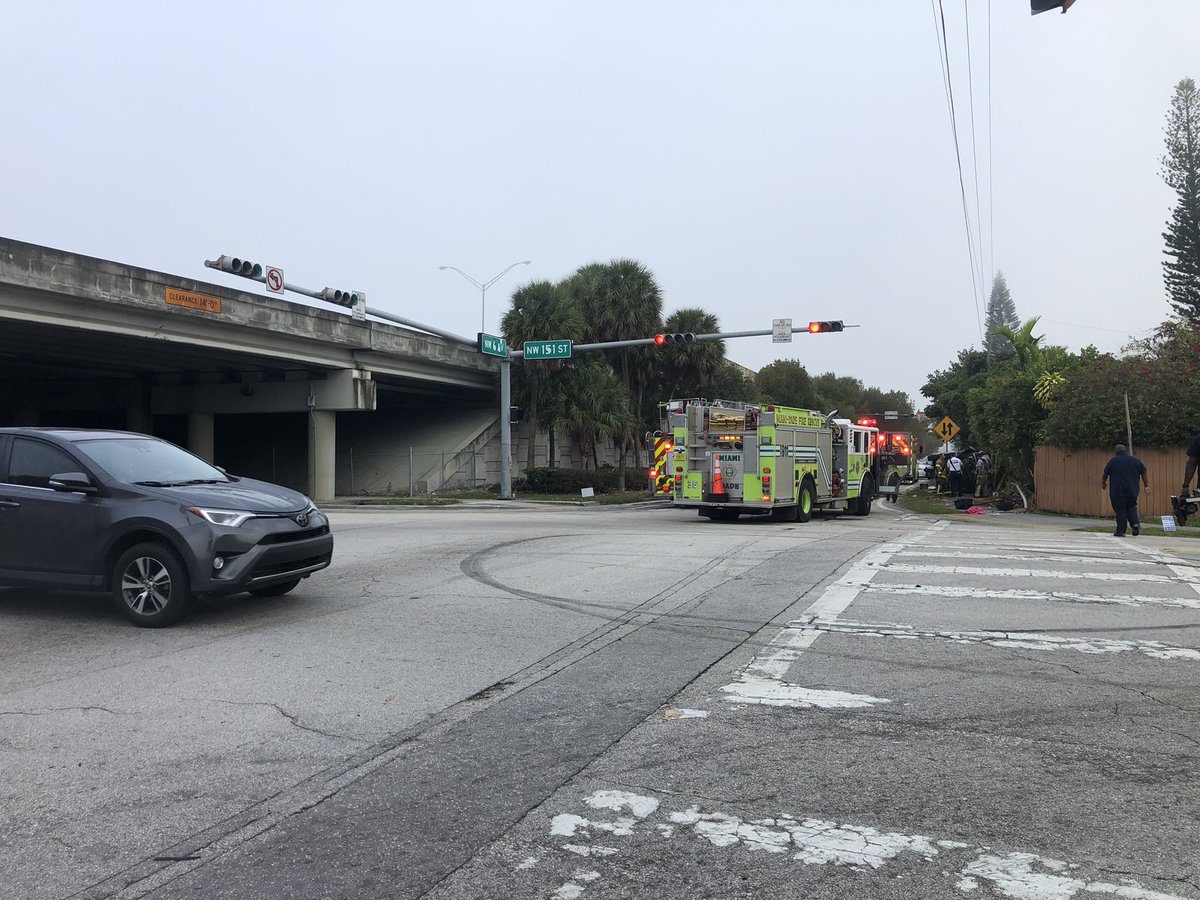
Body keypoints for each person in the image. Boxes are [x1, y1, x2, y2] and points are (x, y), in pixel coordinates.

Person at [1102, 443, 1149, 537]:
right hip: (1132, 490)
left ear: (1116, 452)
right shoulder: (1135, 460)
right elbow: (1144, 472)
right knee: (1131, 507)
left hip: (1117, 491)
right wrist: (1146, 485)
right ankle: (1135, 524)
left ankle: (1121, 530)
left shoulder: (1113, 461)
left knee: (1120, 510)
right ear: (1126, 451)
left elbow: (1105, 473)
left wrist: (1103, 483)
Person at [1180, 432, 1200, 499]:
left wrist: (1186, 486)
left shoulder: (1197, 440)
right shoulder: (1197, 440)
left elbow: (1191, 464)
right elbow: (1191, 464)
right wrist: (1185, 486)